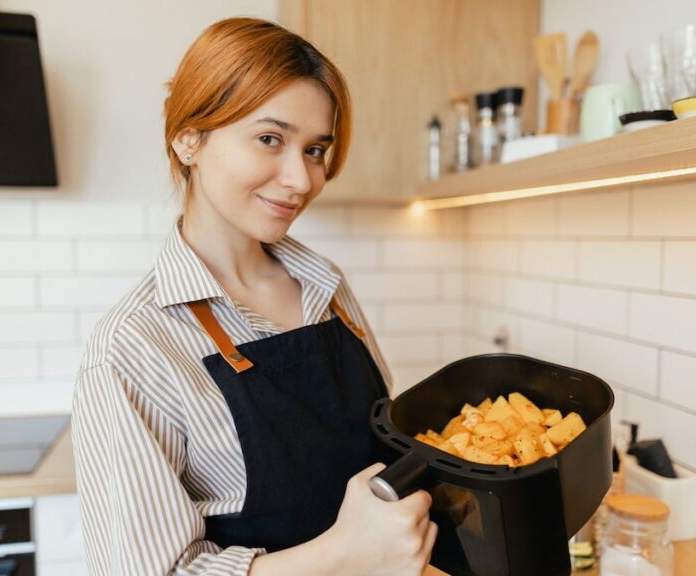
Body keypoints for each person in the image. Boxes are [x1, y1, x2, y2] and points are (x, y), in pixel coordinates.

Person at [71, 17, 437, 576]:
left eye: (316, 149)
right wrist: (343, 554)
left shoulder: (327, 287)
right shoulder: (133, 347)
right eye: (271, 139)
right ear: (188, 138)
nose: (302, 179)